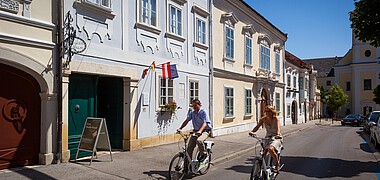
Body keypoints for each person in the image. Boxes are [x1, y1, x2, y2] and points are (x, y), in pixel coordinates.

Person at [249, 105, 283, 172]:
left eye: (269, 111)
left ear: (272, 112)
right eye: (266, 111)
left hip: (276, 137)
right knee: (263, 153)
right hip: (268, 137)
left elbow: (278, 128)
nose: (267, 113)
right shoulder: (263, 119)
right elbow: (257, 127)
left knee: (270, 149)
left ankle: (277, 164)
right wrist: (252, 131)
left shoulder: (276, 119)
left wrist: (278, 134)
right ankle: (261, 168)